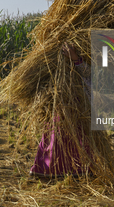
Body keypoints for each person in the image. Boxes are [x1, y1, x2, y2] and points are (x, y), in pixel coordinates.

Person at [29, 43, 91, 177]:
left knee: (77, 134)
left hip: (78, 103)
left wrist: (75, 59)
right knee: (55, 134)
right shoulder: (51, 54)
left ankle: (78, 170)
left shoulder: (88, 52)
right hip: (58, 101)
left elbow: (89, 74)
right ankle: (50, 169)